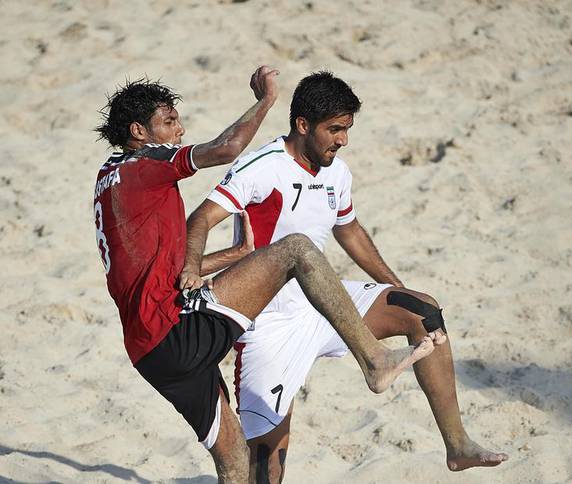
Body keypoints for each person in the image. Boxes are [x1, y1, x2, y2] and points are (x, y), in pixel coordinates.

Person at [93, 66, 434, 483]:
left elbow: (159, 271)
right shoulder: (145, 163)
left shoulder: (109, 179)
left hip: (151, 350)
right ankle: (375, 359)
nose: (180, 130)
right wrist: (266, 100)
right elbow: (225, 148)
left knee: (234, 457)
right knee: (296, 251)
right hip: (175, 329)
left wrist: (234, 254)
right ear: (138, 132)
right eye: (169, 122)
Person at [184, 71, 508, 483]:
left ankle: (458, 445)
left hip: (325, 302)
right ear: (303, 125)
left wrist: (396, 286)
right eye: (334, 129)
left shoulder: (337, 171)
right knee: (266, 465)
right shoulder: (263, 167)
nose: (343, 140)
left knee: (421, 309)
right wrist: (191, 268)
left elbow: (349, 230)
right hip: (269, 324)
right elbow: (201, 218)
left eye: (347, 129)